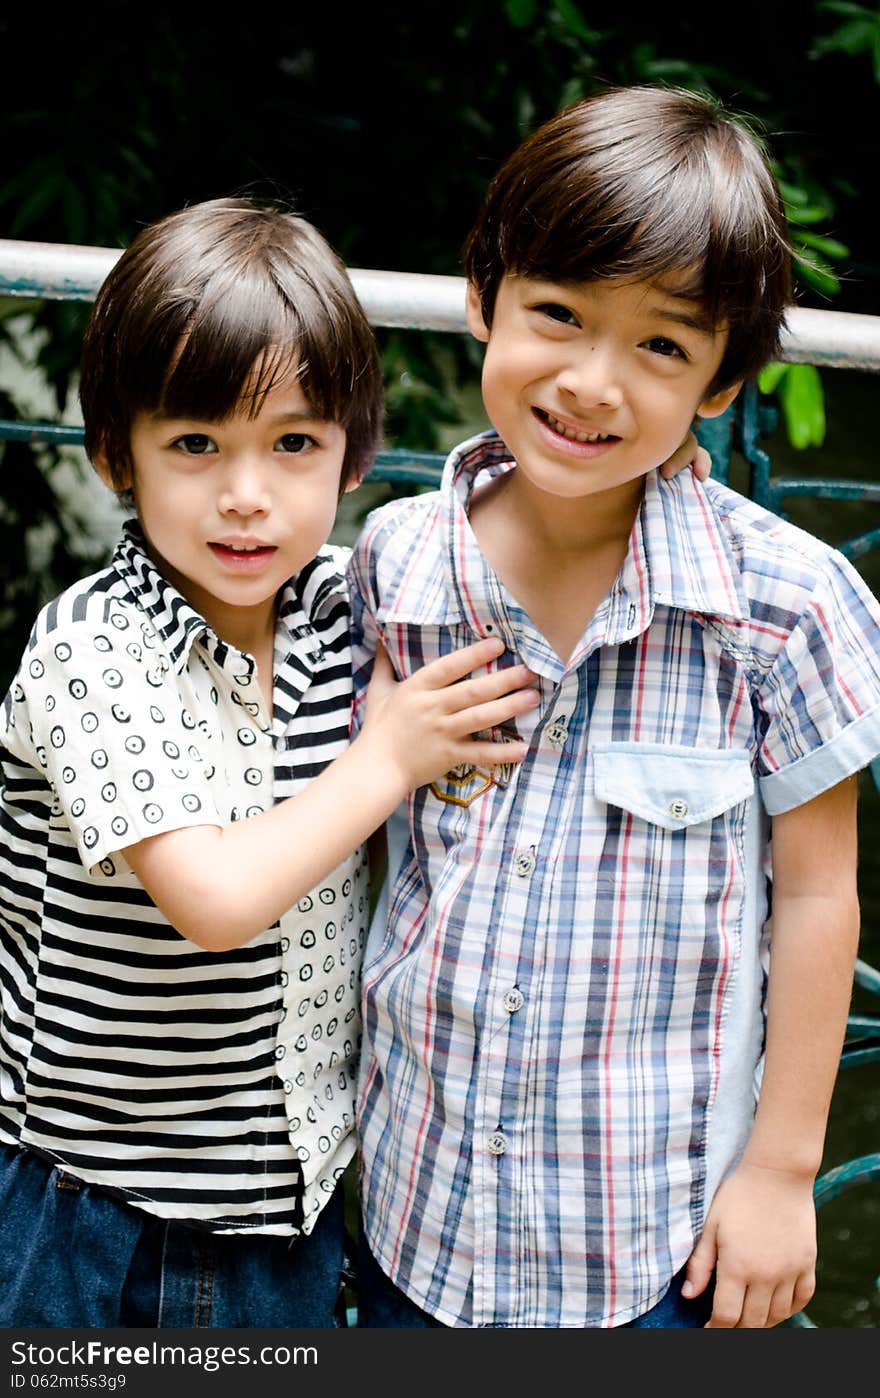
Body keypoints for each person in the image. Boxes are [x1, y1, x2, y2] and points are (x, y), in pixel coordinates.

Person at [348, 85, 880, 1329]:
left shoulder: (784, 607)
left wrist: (781, 1169)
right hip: (404, 1207)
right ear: (484, 296)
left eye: (659, 346)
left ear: (719, 382)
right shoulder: (394, 562)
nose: (591, 381)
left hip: (640, 1243)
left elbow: (815, 895)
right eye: (556, 315)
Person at [0, 196, 548, 1328]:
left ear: (352, 456)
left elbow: (522, 555)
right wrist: (389, 757)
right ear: (116, 455)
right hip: (102, 1214)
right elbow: (214, 897)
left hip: (289, 1206)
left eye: (293, 442)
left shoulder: (343, 609)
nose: (247, 494)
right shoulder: (93, 650)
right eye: (196, 444)